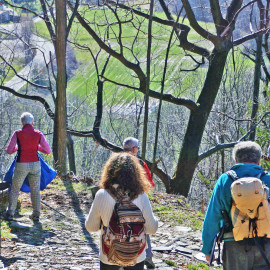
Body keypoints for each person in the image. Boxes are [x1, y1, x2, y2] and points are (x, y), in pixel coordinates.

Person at [201, 141, 270, 270]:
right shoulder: (268, 180)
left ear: (236, 160)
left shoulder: (225, 180)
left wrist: (207, 248)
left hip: (234, 244)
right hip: (266, 244)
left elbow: (213, 216)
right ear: (259, 160)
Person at [85, 152, 158, 270]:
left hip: (109, 254)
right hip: (136, 256)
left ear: (109, 172)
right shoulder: (141, 196)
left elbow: (90, 227)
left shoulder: (101, 195)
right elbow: (152, 229)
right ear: (136, 173)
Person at [4, 112, 51, 222]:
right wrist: (36, 147)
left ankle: (10, 213)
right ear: (32, 123)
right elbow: (48, 150)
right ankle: (36, 215)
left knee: (15, 189)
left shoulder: (17, 133)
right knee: (35, 190)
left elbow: (9, 151)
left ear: (22, 122)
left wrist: (17, 148)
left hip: (21, 165)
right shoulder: (38, 134)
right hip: (35, 165)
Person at [123, 137, 155, 268]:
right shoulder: (141, 164)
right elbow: (150, 184)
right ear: (134, 149)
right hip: (138, 201)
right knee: (143, 227)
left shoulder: (116, 162)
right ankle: (147, 256)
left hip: (118, 201)